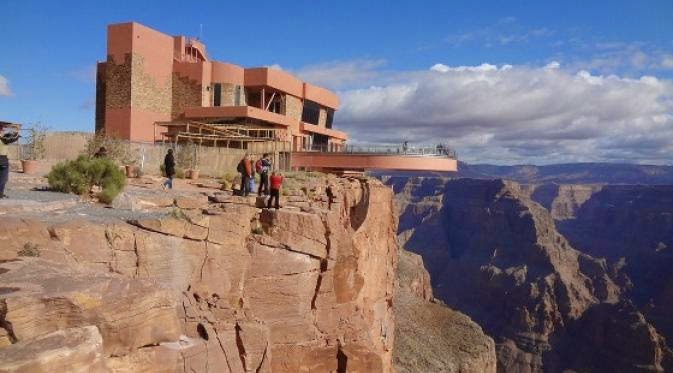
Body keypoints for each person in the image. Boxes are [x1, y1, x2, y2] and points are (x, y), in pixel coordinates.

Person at [0, 126, 20, 199]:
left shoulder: (3, 138)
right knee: (3, 178)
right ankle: (0, 194)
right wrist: (17, 132)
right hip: (2, 160)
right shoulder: (3, 139)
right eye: (2, 130)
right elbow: (14, 138)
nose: (3, 131)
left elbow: (8, 136)